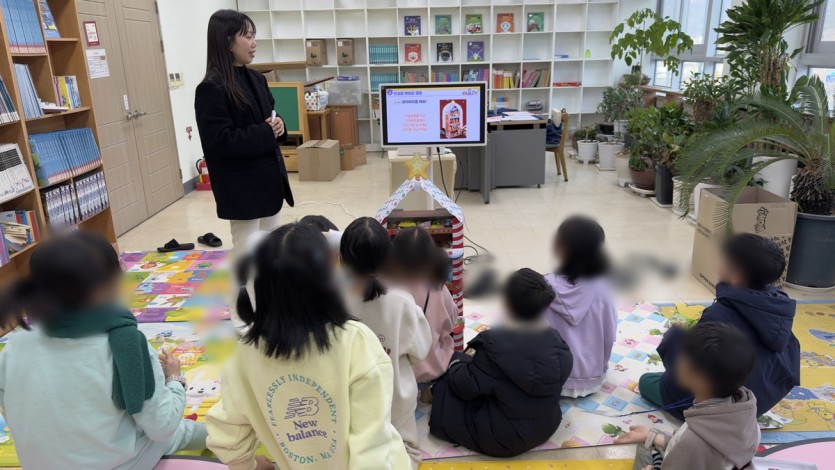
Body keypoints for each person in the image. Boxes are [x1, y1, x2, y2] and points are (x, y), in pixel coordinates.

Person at [205, 223, 410, 470]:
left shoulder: (242, 356)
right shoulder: (356, 342)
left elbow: (226, 437)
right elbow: (372, 453)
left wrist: (249, 466)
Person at [0, 231, 206, 469]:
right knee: (182, 432)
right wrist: (174, 380)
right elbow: (162, 426)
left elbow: (14, 410)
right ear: (106, 287)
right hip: (121, 464)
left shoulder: (14, 346)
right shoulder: (125, 343)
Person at [639, 233, 800, 420]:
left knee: (647, 381)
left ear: (735, 274)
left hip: (715, 410)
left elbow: (689, 369)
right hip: (756, 403)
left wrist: (673, 336)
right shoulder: (778, 305)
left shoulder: (718, 315)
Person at [429, 268, 573, 458]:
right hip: (547, 425)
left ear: (507, 303)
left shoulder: (494, 346)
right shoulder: (559, 344)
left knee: (448, 382)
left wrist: (454, 364)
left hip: (502, 439)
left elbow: (465, 387)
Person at [194, 9, 294, 256]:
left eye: (254, 36)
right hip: (242, 190)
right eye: (247, 36)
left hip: (270, 185)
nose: (254, 42)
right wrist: (267, 131)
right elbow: (220, 140)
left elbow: (271, 116)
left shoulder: (257, 79)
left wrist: (280, 125)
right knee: (248, 258)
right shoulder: (211, 88)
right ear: (228, 41)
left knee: (272, 256)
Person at [340, 217, 432, 469]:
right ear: (388, 259)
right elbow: (420, 351)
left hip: (349, 403)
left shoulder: (330, 299)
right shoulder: (401, 301)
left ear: (341, 259)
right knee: (407, 450)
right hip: (394, 402)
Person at [617, 322, 759, 470]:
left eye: (681, 356)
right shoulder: (747, 412)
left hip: (689, 453)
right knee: (650, 435)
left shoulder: (692, 440)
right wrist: (652, 437)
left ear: (700, 379)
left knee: (643, 449)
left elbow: (691, 447)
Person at [545, 215, 617, 397]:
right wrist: (600, 366)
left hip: (551, 380)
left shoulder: (543, 287)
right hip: (593, 380)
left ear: (561, 248)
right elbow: (610, 336)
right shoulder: (603, 289)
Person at [385, 227, 459, 386]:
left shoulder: (385, 287)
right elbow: (452, 321)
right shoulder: (438, 289)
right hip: (434, 369)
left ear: (393, 256)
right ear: (431, 259)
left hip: (397, 374)